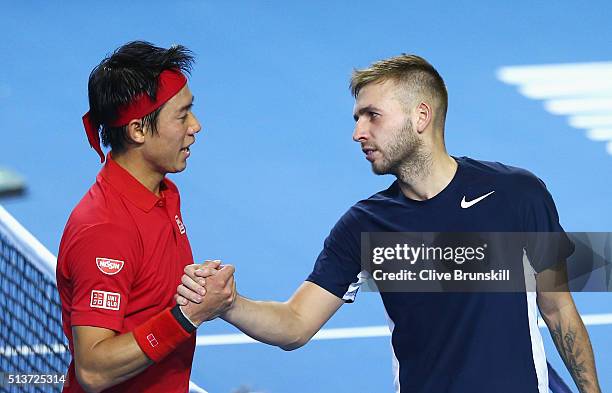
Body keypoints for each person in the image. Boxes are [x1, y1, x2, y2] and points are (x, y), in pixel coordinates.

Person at [177, 54, 602, 393]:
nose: (358, 132)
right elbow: (294, 324)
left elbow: (558, 308)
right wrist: (231, 304)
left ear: (421, 117)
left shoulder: (517, 196)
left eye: (372, 116)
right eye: (356, 119)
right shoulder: (365, 226)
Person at [56, 41, 236, 393]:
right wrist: (187, 315)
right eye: (182, 115)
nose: (196, 126)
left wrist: (191, 288)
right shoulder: (106, 229)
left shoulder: (164, 194)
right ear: (138, 130)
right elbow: (93, 369)